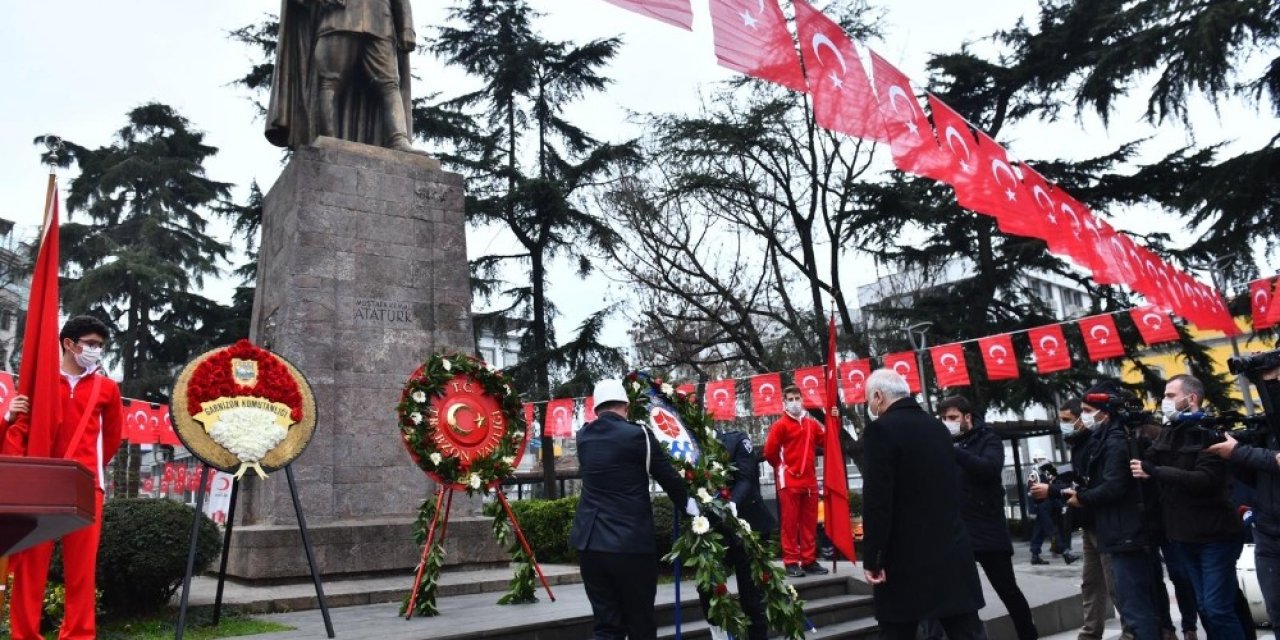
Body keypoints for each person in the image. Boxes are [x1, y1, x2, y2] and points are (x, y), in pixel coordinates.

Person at [1, 315, 125, 640]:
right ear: (69, 344)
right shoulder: (38, 383)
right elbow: (16, 435)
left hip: (85, 486)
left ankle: (78, 635)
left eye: (100, 345)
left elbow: (112, 438)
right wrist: (8, 415)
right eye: (91, 344)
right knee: (31, 566)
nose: (96, 350)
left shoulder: (107, 389)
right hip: (39, 487)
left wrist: (88, 470)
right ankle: (24, 635)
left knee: (82, 570)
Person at [861, 370, 987, 640]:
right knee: (966, 630)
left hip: (904, 558)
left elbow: (878, 501)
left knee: (897, 630)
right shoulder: (938, 428)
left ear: (879, 396)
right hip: (951, 549)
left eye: (868, 400)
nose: (870, 407)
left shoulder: (879, 431)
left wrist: (873, 557)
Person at [570, 379, 696, 640]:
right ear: (626, 405)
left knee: (606, 626)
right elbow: (669, 478)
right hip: (629, 544)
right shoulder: (639, 435)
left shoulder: (583, 437)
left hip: (590, 543)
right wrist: (692, 510)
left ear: (596, 408)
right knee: (640, 623)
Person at [1135, 374, 1249, 640]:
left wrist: (1157, 471)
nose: (1164, 401)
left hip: (1216, 535)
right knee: (1208, 607)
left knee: (1216, 607)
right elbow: (1145, 461)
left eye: (1170, 396)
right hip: (1183, 536)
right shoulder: (1168, 430)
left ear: (1191, 398)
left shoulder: (1210, 431)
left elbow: (1206, 480)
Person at [1064, 381, 1160, 640]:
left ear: (1104, 413)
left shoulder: (1116, 441)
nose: (1083, 416)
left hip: (1123, 531)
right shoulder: (1100, 438)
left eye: (1086, 410)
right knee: (1123, 595)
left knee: (1132, 601)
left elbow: (1114, 487)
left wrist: (1082, 498)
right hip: (1110, 527)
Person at [939, 395, 1039, 640]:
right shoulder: (943, 445)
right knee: (955, 591)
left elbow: (989, 468)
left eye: (952, 418)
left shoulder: (988, 438)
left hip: (987, 528)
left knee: (1007, 589)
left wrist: (955, 452)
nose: (947, 423)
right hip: (958, 530)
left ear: (967, 417)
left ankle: (1028, 635)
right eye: (943, 419)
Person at [267, 0, 421, 152]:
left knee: (390, 85)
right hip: (338, 20)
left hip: (380, 23)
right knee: (330, 82)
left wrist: (407, 27)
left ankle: (399, 140)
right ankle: (328, 138)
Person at [1207, 358, 1280, 628]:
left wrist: (1239, 452)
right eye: (1263, 378)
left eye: (1272, 376)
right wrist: (1232, 456)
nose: (1268, 383)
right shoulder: (1267, 425)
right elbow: (1256, 477)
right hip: (1268, 533)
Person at [698, 427, 776, 640]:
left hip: (747, 525)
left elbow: (746, 478)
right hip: (716, 531)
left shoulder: (736, 440)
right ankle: (719, 634)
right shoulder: (691, 449)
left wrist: (732, 503)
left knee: (752, 596)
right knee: (708, 588)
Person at [764, 385, 828, 578]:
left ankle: (808, 560)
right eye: (790, 399)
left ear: (802, 399)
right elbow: (769, 453)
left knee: (809, 523)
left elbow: (827, 441)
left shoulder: (811, 424)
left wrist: (834, 418)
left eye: (797, 398)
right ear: (784, 403)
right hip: (789, 481)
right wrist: (783, 468)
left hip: (809, 481)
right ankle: (791, 562)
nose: (794, 402)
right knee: (790, 524)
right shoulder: (779, 425)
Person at [1028, 451, 1077, 566]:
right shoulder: (1034, 473)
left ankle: (1035, 555)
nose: (1043, 462)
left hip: (1050, 504)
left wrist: (1061, 505)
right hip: (1042, 505)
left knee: (1039, 531)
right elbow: (1031, 492)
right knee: (1052, 530)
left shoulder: (1047, 473)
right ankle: (1065, 553)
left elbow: (1053, 489)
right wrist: (1032, 510)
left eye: (1044, 459)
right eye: (1040, 459)